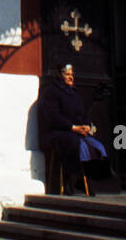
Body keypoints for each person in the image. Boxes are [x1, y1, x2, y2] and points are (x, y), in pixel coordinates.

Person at [37, 62, 109, 195]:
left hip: (76, 132)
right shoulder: (51, 92)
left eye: (72, 74)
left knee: (97, 147)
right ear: (59, 75)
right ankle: (67, 181)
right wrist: (73, 127)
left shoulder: (74, 92)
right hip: (57, 133)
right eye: (67, 74)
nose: (71, 77)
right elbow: (53, 116)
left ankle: (84, 180)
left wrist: (86, 125)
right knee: (76, 145)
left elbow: (83, 112)